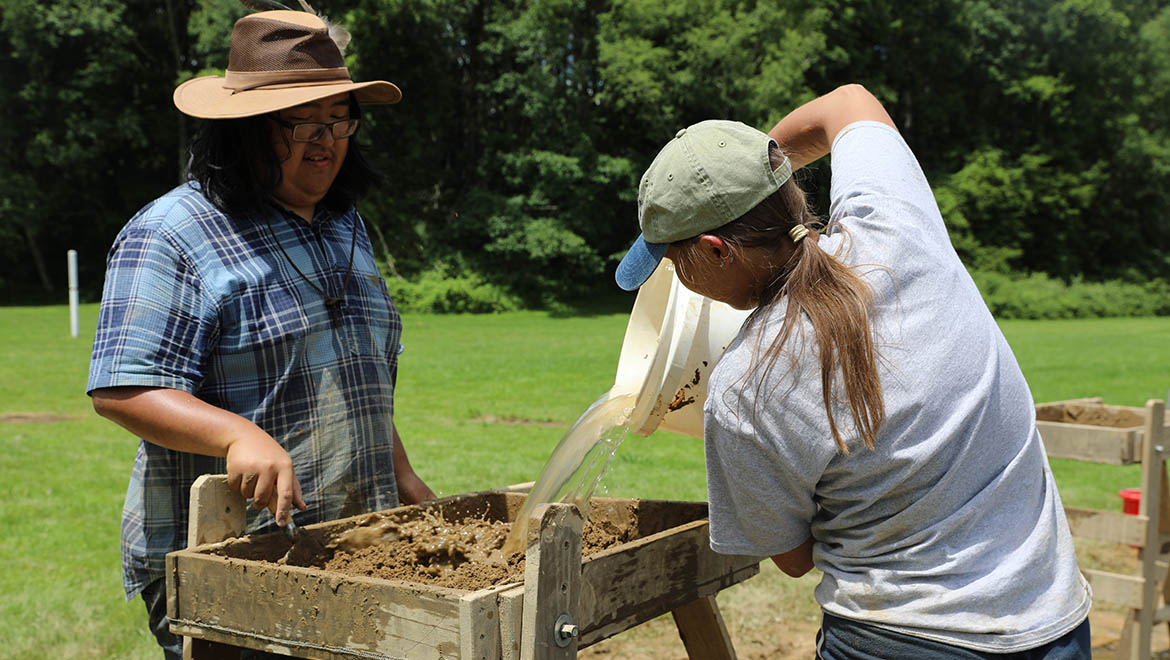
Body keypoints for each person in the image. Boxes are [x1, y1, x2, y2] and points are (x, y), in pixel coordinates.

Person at [615, 84, 1091, 659]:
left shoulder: (746, 385)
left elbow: (791, 558)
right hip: (1053, 621)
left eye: (673, 261)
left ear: (719, 250)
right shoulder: (895, 220)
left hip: (897, 639)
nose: (678, 278)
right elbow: (848, 101)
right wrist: (748, 165)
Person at [87, 9, 434, 658]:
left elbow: (347, 375)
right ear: (242, 129)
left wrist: (402, 475)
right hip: (231, 556)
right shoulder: (172, 232)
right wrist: (236, 433)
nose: (327, 139)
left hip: (353, 541)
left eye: (339, 118)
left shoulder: (344, 226)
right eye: (304, 121)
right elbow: (123, 387)